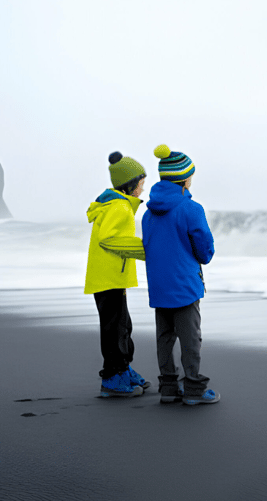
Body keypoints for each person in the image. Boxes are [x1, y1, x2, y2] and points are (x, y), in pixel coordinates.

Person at [142, 144, 219, 405]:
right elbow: (204, 250)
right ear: (184, 179)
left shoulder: (148, 212)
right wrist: (204, 256)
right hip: (184, 284)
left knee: (164, 337)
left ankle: (168, 388)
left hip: (159, 284)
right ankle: (194, 389)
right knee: (190, 338)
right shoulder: (191, 209)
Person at [85, 151, 151, 398]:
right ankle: (112, 378)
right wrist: (145, 250)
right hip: (109, 277)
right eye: (141, 185)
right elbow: (109, 239)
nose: (142, 190)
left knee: (122, 326)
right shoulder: (120, 207)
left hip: (109, 277)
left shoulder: (115, 204)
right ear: (130, 184)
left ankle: (124, 369)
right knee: (115, 329)